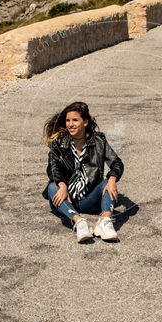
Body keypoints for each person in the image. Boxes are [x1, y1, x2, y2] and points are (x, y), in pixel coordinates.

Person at [42, 101, 124, 243]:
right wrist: (62, 186)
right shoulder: (59, 143)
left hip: (89, 199)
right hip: (66, 199)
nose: (70, 124)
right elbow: (52, 168)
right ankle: (79, 222)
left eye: (75, 120)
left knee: (106, 182)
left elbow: (116, 162)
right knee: (52, 186)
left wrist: (112, 180)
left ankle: (105, 221)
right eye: (68, 120)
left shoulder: (99, 141)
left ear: (85, 122)